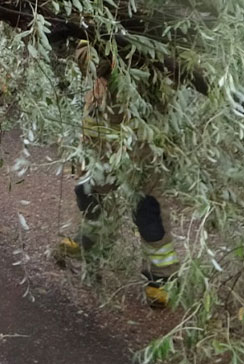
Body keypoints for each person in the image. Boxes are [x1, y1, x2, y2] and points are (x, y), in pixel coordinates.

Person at [55, 42, 181, 309]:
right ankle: (90, 244)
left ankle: (161, 280)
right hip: (99, 145)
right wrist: (105, 53)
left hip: (141, 148)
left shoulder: (159, 35)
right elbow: (85, 59)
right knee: (88, 194)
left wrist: (135, 57)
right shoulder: (97, 22)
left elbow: (174, 74)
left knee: (147, 210)